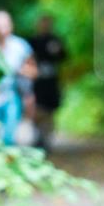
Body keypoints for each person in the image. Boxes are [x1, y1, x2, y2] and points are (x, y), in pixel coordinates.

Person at [0, 10, 37, 146]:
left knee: (9, 136)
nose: (1, 29)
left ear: (11, 26)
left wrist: (21, 71)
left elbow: (34, 71)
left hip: (12, 94)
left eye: (4, 25)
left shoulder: (20, 46)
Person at [28, 14, 67, 151]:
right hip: (37, 81)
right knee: (37, 108)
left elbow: (64, 56)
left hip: (51, 82)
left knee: (49, 110)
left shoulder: (55, 40)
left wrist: (57, 51)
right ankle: (38, 136)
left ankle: (46, 138)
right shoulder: (32, 41)